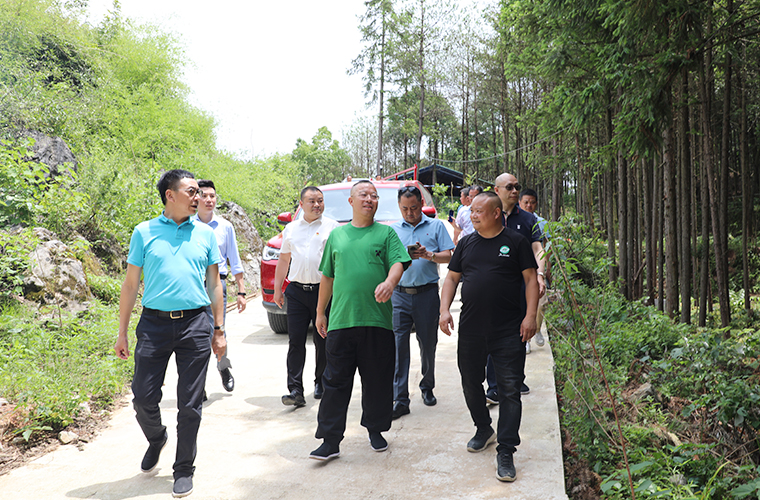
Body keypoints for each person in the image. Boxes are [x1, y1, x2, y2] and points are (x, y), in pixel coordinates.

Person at [114, 169, 226, 498]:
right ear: (170, 195)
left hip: (195, 324)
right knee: (143, 397)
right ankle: (157, 438)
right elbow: (130, 285)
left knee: (190, 404)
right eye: (191, 192)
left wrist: (219, 329)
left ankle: (184, 468)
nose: (198, 197)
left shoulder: (205, 234)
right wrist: (122, 332)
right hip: (154, 324)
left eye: (199, 192)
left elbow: (215, 284)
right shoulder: (144, 232)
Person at [439, 191, 538, 483]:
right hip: (471, 328)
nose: (473, 216)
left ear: (496, 213)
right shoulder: (466, 243)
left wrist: (530, 316)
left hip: (509, 329)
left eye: (479, 211)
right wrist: (444, 310)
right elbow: (452, 278)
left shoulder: (516, 242)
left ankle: (506, 450)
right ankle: (483, 428)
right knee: (470, 383)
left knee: (509, 390)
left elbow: (531, 279)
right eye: (471, 211)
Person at [310, 180, 411, 461]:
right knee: (335, 382)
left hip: (377, 321)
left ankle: (376, 430)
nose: (369, 199)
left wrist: (390, 282)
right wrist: (320, 312)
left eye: (374, 196)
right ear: (351, 201)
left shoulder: (386, 233)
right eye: (363, 195)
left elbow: (398, 263)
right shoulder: (337, 236)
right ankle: (330, 440)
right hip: (342, 321)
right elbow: (327, 276)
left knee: (378, 381)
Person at [390, 185, 454, 419]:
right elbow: (386, 258)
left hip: (426, 294)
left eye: (414, 208)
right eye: (405, 208)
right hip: (399, 295)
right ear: (399, 207)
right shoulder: (392, 230)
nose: (410, 213)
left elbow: (449, 256)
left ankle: (427, 387)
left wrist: (429, 255)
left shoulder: (436, 226)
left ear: (421, 205)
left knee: (428, 344)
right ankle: (400, 398)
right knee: (398, 346)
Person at [273, 186, 339, 407]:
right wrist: (278, 289)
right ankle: (295, 390)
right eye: (312, 201)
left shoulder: (332, 227)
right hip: (297, 292)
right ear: (301, 205)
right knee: (296, 341)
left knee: (323, 339)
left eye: (320, 200)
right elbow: (284, 259)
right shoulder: (291, 229)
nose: (317, 205)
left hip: (324, 292)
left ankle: (321, 382)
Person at [485, 173, 546, 400]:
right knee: (492, 333)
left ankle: (516, 379)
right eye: (509, 187)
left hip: (522, 285)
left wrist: (540, 274)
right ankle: (494, 386)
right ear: (497, 190)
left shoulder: (529, 219)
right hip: (494, 287)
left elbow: (538, 249)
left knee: (521, 332)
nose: (514, 191)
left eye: (517, 187)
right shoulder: (489, 215)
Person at [195, 179, 246, 394]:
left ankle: (223, 366)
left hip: (217, 285)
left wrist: (241, 291)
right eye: (204, 196)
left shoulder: (225, 227)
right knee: (196, 335)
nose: (209, 200)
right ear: (196, 198)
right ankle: (198, 386)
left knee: (217, 330)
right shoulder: (188, 225)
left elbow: (234, 259)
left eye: (212, 196)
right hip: (194, 285)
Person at [519, 188, 549, 346]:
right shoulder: (513, 221)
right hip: (521, 270)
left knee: (541, 302)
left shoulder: (542, 223)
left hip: (538, 268)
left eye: (532, 203)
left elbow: (545, 247)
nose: (529, 205)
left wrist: (545, 271)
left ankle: (536, 329)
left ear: (536, 204)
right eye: (526, 202)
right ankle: (526, 339)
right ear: (519, 202)